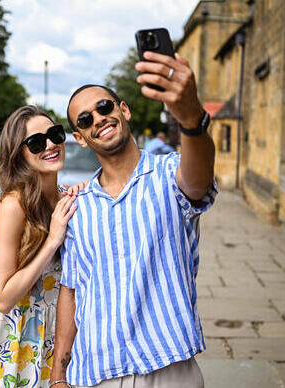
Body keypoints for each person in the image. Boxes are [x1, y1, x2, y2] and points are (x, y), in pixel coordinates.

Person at [50, 51, 217, 388]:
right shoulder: (77, 206)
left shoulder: (170, 174)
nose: (97, 118)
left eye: (104, 107)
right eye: (84, 120)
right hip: (96, 373)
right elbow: (71, 291)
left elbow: (198, 181)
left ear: (123, 110)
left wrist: (191, 120)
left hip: (169, 369)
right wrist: (58, 375)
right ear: (80, 138)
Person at [0, 106, 85, 388]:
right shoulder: (14, 205)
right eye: (37, 142)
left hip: (61, 334)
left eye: (54, 134)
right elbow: (3, 297)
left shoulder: (69, 198)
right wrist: (53, 239)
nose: (51, 145)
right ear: (19, 154)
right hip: (16, 338)